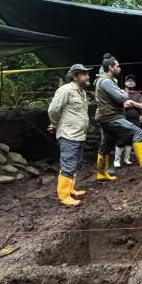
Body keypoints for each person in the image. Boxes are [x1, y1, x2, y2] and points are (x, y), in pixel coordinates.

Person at [94, 56, 142, 180]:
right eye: (117, 66)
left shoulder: (107, 80)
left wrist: (121, 92)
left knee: (106, 144)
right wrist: (124, 92)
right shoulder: (106, 81)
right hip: (110, 116)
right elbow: (121, 98)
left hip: (106, 116)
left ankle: (101, 174)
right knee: (137, 131)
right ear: (110, 67)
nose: (119, 68)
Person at [47, 64, 91, 207]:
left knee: (75, 164)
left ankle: (71, 189)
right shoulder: (65, 90)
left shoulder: (82, 92)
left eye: (87, 74)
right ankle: (64, 196)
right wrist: (55, 124)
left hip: (79, 134)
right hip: (68, 134)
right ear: (75, 76)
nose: (87, 77)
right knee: (68, 164)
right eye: (84, 74)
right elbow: (53, 110)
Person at [114, 74, 142, 168]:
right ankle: (117, 160)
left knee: (130, 141)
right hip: (124, 120)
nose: (130, 82)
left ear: (135, 83)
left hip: (135, 120)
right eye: (128, 80)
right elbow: (122, 105)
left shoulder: (138, 94)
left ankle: (126, 159)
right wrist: (135, 105)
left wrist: (131, 102)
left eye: (132, 81)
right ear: (125, 83)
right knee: (122, 139)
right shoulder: (121, 92)